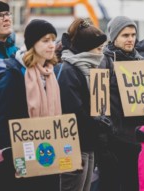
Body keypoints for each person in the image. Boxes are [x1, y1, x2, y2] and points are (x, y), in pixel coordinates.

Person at [0, 19, 62, 190]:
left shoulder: (51, 73)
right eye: (45, 40)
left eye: (53, 40)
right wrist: (11, 155)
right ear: (32, 44)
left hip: (48, 154)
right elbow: (2, 117)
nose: (51, 45)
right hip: (21, 156)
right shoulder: (13, 73)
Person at [97, 16, 144, 191]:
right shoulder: (102, 61)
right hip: (114, 139)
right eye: (125, 35)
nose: (130, 39)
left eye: (133, 35)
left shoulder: (142, 62)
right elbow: (98, 103)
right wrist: (103, 140)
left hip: (137, 138)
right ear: (114, 37)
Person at [58, 18, 108, 191]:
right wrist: (95, 122)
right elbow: (72, 109)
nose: (101, 53)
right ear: (87, 49)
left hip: (88, 142)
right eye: (98, 49)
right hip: (74, 146)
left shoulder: (90, 69)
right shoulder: (70, 70)